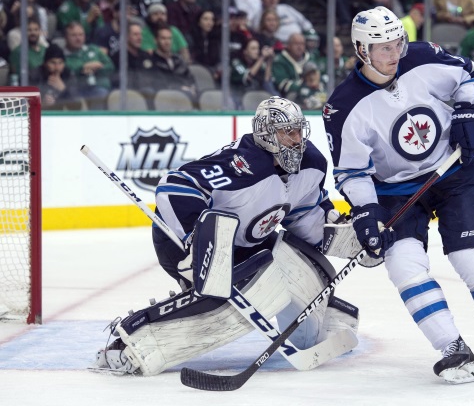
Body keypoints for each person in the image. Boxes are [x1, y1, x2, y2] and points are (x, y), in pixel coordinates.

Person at [322, 6, 474, 384]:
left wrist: (471, 114)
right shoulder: (343, 106)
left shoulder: (422, 57)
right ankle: (452, 347)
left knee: (472, 259)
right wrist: (367, 210)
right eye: (382, 48)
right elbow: (351, 171)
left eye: (396, 44)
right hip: (393, 190)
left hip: (455, 172)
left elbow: (470, 74)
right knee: (404, 266)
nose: (393, 54)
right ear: (361, 50)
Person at [92, 96, 360, 376]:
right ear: (266, 134)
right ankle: (134, 345)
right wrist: (197, 243)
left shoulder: (311, 163)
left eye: (298, 131)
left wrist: (337, 231)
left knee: (301, 269)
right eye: (286, 132)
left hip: (248, 244)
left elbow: (303, 214)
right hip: (185, 243)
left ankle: (323, 325)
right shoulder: (241, 165)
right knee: (231, 302)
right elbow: (174, 188)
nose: (296, 140)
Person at [63, 21, 114, 110]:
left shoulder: (93, 49)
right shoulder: (62, 55)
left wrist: (97, 68)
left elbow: (110, 66)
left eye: (81, 35)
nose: (78, 38)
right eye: (74, 35)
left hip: (99, 88)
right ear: (66, 37)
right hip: (76, 90)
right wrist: (83, 67)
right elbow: (69, 69)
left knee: (102, 94)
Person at [149, 23, 197, 104]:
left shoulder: (178, 59)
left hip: (186, 99)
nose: (167, 42)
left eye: (169, 38)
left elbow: (190, 79)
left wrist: (191, 88)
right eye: (163, 38)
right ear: (156, 40)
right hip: (164, 101)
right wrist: (180, 89)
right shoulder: (151, 61)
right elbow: (156, 84)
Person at [230, 37, 278, 109]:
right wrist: (262, 58)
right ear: (245, 51)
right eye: (253, 49)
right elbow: (248, 78)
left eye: (257, 48)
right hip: (239, 97)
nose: (257, 51)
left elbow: (267, 81)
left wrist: (269, 62)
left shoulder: (258, 64)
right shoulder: (236, 62)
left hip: (255, 99)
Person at [33, 43, 80, 110]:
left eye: (60, 63)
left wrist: (64, 90)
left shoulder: (68, 74)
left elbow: (77, 107)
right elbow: (25, 102)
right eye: (53, 62)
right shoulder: (35, 74)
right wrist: (41, 102)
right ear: (45, 63)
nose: (57, 67)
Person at [272, 32, 309, 98]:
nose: (299, 47)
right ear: (288, 45)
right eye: (296, 44)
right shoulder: (280, 60)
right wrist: (304, 87)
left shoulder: (310, 59)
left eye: (302, 44)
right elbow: (282, 84)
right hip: (287, 97)